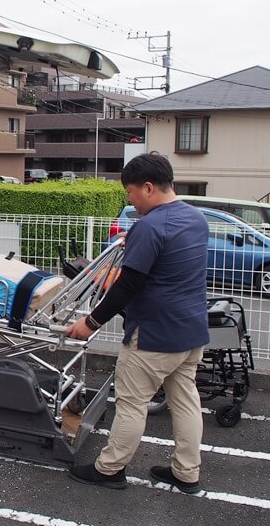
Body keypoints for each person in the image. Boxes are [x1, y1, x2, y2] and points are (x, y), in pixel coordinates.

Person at [65, 152, 209, 494]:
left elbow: (126, 287)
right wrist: (139, 241)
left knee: (131, 403)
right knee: (186, 402)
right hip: (191, 331)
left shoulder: (150, 226)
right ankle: (187, 473)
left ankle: (110, 469)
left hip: (154, 334)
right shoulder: (195, 218)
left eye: (130, 193)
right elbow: (168, 257)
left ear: (148, 188)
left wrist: (91, 322)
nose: (129, 200)